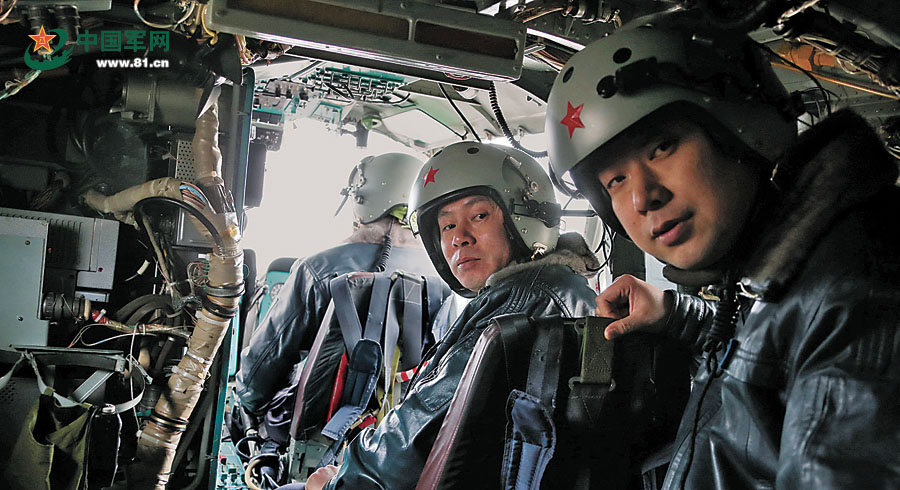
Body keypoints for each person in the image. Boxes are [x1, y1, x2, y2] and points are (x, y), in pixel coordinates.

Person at [546, 13, 900, 490]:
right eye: (615, 180)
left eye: (662, 147)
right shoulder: (794, 269)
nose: (640, 197)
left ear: (739, 128)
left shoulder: (860, 300)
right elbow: (769, 339)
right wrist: (675, 312)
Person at [305, 141, 601, 490]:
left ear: (524, 218)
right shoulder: (561, 288)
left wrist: (336, 481)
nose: (459, 238)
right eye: (446, 227)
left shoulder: (521, 302)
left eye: (478, 216)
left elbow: (421, 429)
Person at [236, 153, 437, 431]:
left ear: (362, 197)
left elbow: (264, 366)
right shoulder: (448, 276)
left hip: (323, 437)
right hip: (409, 436)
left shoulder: (317, 269)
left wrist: (247, 404)